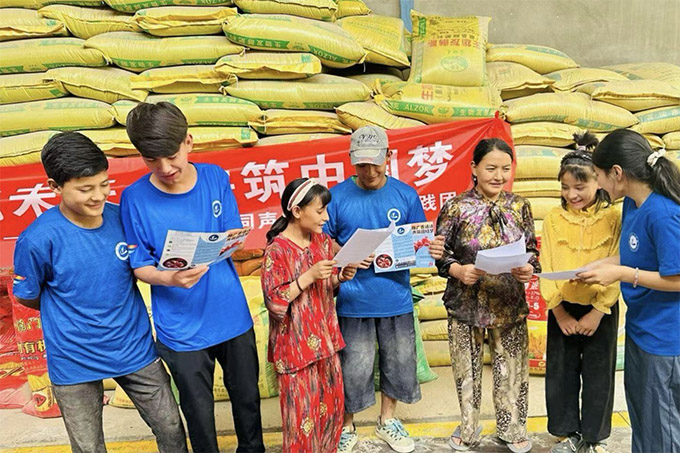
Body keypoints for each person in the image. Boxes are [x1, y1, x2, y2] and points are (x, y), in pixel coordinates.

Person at [12, 132, 187, 453]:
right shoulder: (37, 239)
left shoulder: (123, 219)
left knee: (171, 427)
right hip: (73, 360)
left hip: (134, 350)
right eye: (85, 189)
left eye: (104, 184)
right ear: (54, 187)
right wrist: (72, 313)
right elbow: (27, 294)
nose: (98, 196)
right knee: (88, 447)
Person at [119, 102, 264, 453]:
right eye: (152, 160)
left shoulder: (215, 178)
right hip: (180, 329)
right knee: (198, 413)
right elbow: (139, 265)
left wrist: (227, 242)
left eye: (172, 156)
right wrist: (170, 279)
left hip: (231, 315)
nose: (165, 168)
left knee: (247, 400)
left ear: (188, 142)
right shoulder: (134, 198)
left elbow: (234, 233)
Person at [324, 125, 445, 453]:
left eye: (375, 163)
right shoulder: (336, 197)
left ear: (389, 156)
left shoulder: (405, 195)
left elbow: (419, 241)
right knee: (353, 366)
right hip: (353, 299)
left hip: (395, 296)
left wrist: (429, 248)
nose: (369, 171)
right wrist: (346, 253)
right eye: (362, 164)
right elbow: (322, 239)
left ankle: (387, 420)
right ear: (352, 161)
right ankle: (347, 425)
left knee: (399, 363)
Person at [577, 129, 680, 453]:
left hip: (666, 339)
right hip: (640, 330)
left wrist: (621, 274)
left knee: (662, 430)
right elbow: (637, 256)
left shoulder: (663, 213)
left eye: (598, 176)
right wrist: (600, 265)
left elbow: (677, 277)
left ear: (617, 173)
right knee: (644, 421)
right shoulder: (633, 205)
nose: (598, 185)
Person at [435, 138, 539, 453]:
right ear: (474, 168)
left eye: (505, 169)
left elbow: (532, 249)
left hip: (509, 303)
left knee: (511, 371)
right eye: (491, 168)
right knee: (466, 373)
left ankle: (512, 428)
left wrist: (528, 268)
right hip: (465, 304)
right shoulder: (455, 207)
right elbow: (441, 255)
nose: (498, 176)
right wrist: (458, 270)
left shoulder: (520, 206)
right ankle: (468, 429)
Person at [539, 133, 621, 453]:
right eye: (565, 187)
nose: (571, 194)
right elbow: (546, 263)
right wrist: (558, 312)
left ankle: (594, 436)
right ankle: (566, 433)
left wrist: (598, 311)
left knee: (599, 373)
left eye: (580, 186)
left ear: (598, 182)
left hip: (600, 309)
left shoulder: (614, 218)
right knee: (561, 373)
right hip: (562, 307)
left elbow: (619, 263)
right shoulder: (553, 219)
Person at [261, 178, 357, 452]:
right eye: (320, 211)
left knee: (332, 410)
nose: (326, 218)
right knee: (301, 419)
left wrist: (340, 278)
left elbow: (325, 289)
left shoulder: (323, 242)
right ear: (297, 211)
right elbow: (274, 301)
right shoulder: (277, 250)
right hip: (295, 347)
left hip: (326, 341)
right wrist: (308, 276)